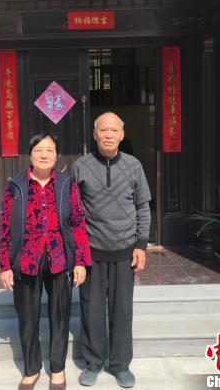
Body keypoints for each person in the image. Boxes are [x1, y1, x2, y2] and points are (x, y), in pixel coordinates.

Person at [0, 133, 91, 390]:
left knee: (60, 315)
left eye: (50, 150)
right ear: (30, 154)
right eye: (39, 149)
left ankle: (57, 369)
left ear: (57, 155)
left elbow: (78, 223)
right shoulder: (15, 186)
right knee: (27, 317)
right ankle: (31, 369)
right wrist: (5, 265)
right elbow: (5, 227)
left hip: (60, 258)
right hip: (26, 259)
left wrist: (80, 261)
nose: (44, 154)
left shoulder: (66, 185)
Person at [72, 112, 151, 388]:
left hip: (124, 252)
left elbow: (142, 207)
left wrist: (141, 245)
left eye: (113, 130)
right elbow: (74, 213)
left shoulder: (134, 165)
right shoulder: (81, 166)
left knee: (122, 311)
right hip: (91, 252)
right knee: (91, 310)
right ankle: (93, 363)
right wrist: (78, 253)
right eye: (103, 130)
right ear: (95, 134)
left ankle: (120, 365)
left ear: (121, 134)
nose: (108, 135)